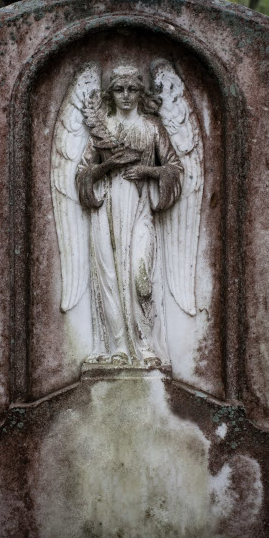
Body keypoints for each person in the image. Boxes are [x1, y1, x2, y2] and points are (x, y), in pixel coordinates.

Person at [73, 64, 183, 368]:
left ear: (140, 92)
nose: (125, 96)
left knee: (140, 276)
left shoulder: (152, 127)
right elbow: (82, 173)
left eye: (132, 89)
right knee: (110, 278)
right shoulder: (102, 127)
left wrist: (147, 170)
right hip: (107, 210)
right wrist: (109, 166)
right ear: (111, 93)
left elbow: (174, 168)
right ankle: (119, 346)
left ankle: (146, 344)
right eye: (119, 89)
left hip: (140, 210)